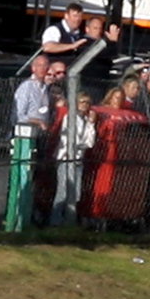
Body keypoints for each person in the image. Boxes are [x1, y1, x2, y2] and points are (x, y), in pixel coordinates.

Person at [52, 90, 97, 226]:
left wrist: (91, 124)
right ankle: (55, 221)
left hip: (78, 160)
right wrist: (81, 144)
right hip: (66, 158)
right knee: (63, 192)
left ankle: (68, 222)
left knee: (76, 194)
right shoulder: (69, 118)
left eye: (87, 103)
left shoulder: (85, 121)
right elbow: (72, 140)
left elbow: (90, 142)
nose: (85, 105)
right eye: (82, 102)